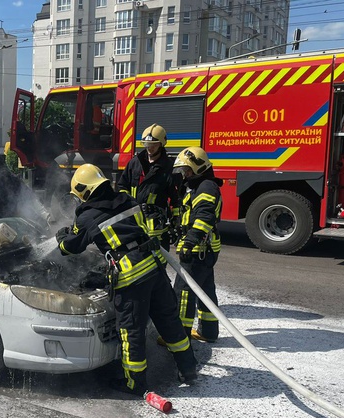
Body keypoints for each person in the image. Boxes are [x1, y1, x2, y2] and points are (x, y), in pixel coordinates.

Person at [56, 164, 198, 395]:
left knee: (131, 333)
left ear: (85, 191)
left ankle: (135, 384)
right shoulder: (126, 200)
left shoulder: (88, 215)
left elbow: (70, 248)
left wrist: (62, 236)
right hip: (154, 269)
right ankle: (188, 368)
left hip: (132, 279)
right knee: (169, 321)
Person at [171, 147, 223, 343]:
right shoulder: (199, 185)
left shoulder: (206, 187)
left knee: (183, 292)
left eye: (188, 170)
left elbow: (204, 217)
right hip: (205, 249)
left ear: (198, 167)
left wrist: (190, 241)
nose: (185, 174)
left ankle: (179, 337)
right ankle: (209, 332)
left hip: (198, 249)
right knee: (206, 291)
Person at [116, 123, 180, 251]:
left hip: (156, 224)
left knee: (159, 258)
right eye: (147, 144)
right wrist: (126, 202)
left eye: (153, 144)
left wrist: (176, 221)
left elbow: (176, 198)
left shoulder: (169, 167)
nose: (149, 147)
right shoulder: (135, 163)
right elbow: (122, 185)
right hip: (133, 218)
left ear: (161, 144)